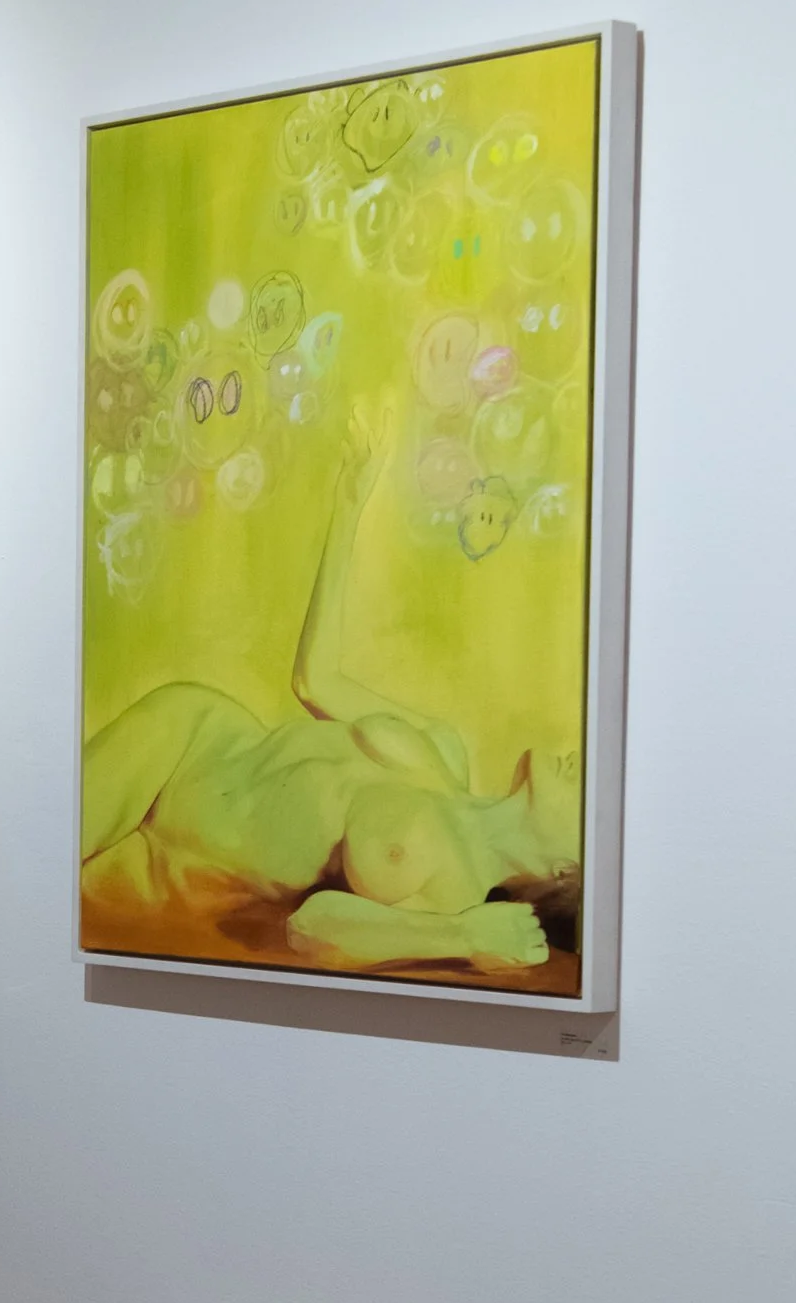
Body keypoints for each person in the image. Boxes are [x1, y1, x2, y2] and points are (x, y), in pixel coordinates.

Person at [81, 411, 580, 976]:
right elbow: (315, 680)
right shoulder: (446, 747)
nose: (579, 765)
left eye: (587, 792)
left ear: (565, 871)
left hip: (181, 848)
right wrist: (348, 506)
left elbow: (312, 929)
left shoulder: (456, 887)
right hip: (193, 726)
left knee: (30, 888)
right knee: (37, 851)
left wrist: (461, 934)